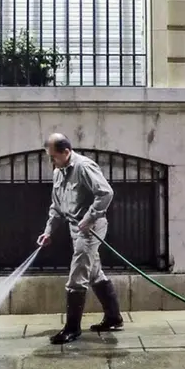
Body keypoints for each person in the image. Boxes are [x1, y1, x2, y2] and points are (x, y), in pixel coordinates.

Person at [36, 133, 124, 344]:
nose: (51, 161)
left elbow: (105, 193)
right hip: (74, 227)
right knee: (94, 272)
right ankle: (114, 317)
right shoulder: (58, 172)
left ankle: (72, 329)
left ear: (66, 152)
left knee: (78, 274)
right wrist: (48, 231)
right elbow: (56, 207)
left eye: (53, 156)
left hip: (90, 229)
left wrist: (90, 217)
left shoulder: (84, 167)